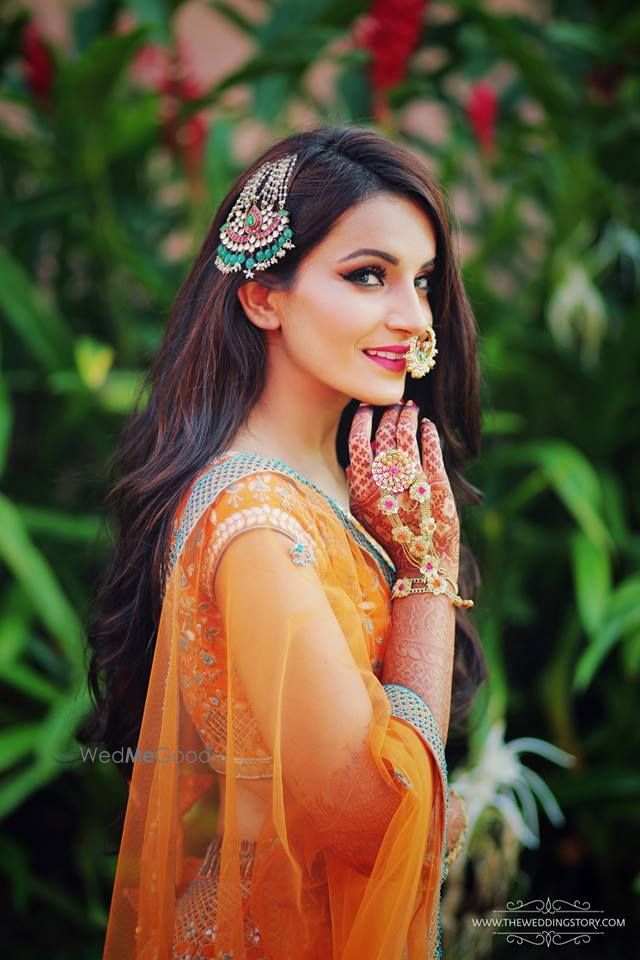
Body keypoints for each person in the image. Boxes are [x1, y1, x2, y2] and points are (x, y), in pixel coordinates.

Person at [81, 124, 486, 960]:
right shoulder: (258, 524)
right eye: (368, 275)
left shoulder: (339, 486)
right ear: (262, 295)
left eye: (423, 281)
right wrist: (426, 577)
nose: (414, 318)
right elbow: (373, 821)